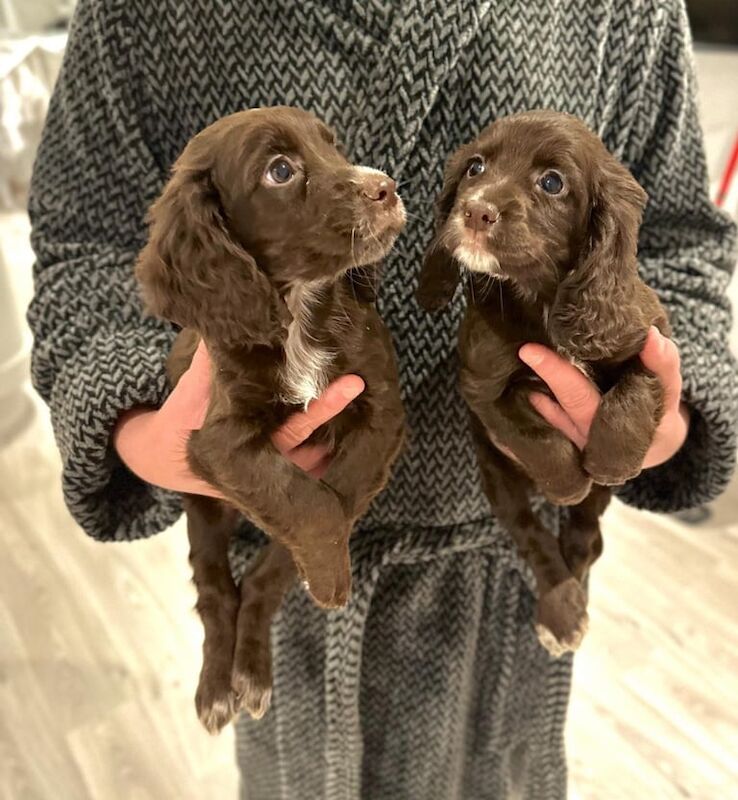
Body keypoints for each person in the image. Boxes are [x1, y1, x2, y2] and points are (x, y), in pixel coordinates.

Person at [27, 0, 736, 797]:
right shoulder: (137, 18)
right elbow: (84, 244)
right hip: (276, 543)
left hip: (508, 562)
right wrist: (136, 424)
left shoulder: (624, 14)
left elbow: (677, 237)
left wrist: (667, 405)